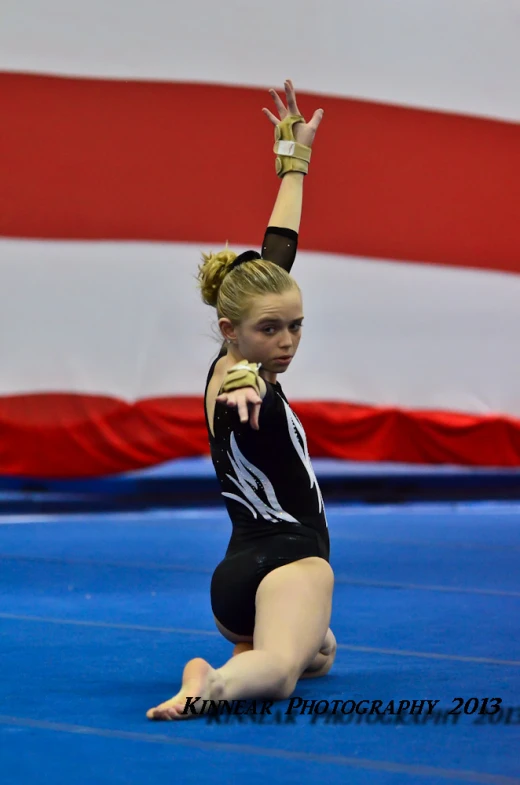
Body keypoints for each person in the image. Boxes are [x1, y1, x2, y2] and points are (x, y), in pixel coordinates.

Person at [147, 79, 335, 720]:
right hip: (289, 560)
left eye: (295, 326)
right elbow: (241, 398)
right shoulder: (239, 380)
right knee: (282, 676)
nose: (286, 343)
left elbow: (279, 248)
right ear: (231, 331)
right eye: (270, 330)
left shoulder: (234, 353)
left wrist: (294, 164)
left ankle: (259, 647)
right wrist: (246, 389)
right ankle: (211, 680)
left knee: (322, 653)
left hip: (239, 585)